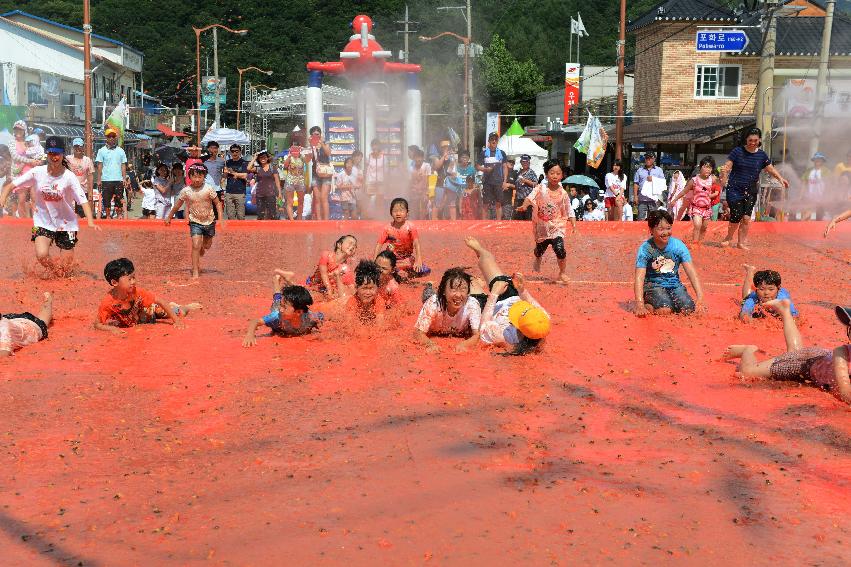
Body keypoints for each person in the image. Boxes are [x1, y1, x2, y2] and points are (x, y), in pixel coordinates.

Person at [0, 136, 100, 277]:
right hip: (43, 222)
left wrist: (90, 222)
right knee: (41, 255)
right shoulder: (37, 172)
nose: (54, 157)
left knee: (67, 269)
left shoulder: (69, 177)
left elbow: (83, 201)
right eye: (51, 153)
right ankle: (54, 271)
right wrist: (1, 202)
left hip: (66, 224)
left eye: (57, 153)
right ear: (47, 154)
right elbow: (10, 186)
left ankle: (63, 275)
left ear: (62, 154)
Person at [724, 302, 850, 406]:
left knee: (795, 351)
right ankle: (748, 350)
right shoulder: (842, 352)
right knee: (747, 372)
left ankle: (785, 311)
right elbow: (844, 392)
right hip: (807, 363)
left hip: (818, 358)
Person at [463, 237, 551, 355]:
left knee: (469, 282)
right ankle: (480, 250)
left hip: (489, 308)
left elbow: (483, 326)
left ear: (518, 328)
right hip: (510, 296)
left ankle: (478, 283)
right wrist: (522, 290)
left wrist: (494, 294)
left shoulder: (504, 336)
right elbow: (531, 302)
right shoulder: (542, 320)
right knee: (487, 259)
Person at [719, 127, 789, 249]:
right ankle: (729, 237)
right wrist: (724, 173)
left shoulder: (761, 155)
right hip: (734, 189)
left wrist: (780, 178)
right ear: (746, 140)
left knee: (746, 218)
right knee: (736, 215)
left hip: (751, 190)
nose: (752, 143)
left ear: (759, 140)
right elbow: (728, 166)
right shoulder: (737, 151)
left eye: (755, 140)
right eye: (750, 140)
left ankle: (741, 242)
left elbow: (770, 169)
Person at [94, 258, 200, 335]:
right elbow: (97, 324)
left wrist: (177, 321)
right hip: (141, 320)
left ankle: (186, 307)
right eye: (129, 279)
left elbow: (160, 301)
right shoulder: (108, 303)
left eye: (134, 277)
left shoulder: (136, 291)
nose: (134, 282)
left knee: (178, 312)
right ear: (114, 282)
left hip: (151, 311)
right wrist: (112, 329)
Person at [516, 159, 577, 284]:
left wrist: (574, 224)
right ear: (546, 174)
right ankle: (537, 258)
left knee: (559, 249)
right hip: (542, 227)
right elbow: (530, 197)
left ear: (562, 175)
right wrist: (524, 206)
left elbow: (569, 209)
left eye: (558, 173)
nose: (555, 176)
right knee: (539, 250)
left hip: (557, 227)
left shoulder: (563, 193)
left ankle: (562, 273)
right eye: (552, 173)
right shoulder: (540, 188)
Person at [634, 210, 704, 317]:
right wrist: (639, 304)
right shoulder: (646, 249)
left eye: (668, 228)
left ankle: (664, 303)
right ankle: (649, 303)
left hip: (675, 286)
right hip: (653, 286)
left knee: (688, 309)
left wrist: (700, 297)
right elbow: (639, 278)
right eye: (661, 229)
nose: (665, 232)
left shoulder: (678, 246)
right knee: (665, 310)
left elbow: (691, 273)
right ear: (651, 230)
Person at [164, 162, 226, 279]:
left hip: (209, 221)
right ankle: (195, 271)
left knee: (206, 246)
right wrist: (169, 216)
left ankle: (203, 246)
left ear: (204, 177)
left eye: (200, 177)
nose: (197, 179)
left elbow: (218, 203)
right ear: (189, 177)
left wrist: (221, 219)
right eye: (194, 176)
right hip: (195, 221)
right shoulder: (186, 191)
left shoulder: (208, 189)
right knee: (195, 245)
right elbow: (177, 205)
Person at [242, 270, 324, 347]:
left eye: (284, 308)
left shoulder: (310, 317)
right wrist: (250, 334)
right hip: (280, 308)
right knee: (277, 299)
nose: (281, 309)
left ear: (298, 312)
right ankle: (276, 281)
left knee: (295, 296)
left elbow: (321, 318)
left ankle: (288, 280)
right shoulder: (276, 316)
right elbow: (255, 321)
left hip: (294, 306)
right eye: (282, 306)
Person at [414, 267, 481, 353]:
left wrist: (463, 345)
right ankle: (429, 285)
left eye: (463, 289)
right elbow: (418, 332)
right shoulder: (433, 303)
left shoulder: (472, 304)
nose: (458, 294)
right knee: (427, 295)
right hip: (434, 298)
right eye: (454, 289)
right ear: (444, 291)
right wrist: (430, 344)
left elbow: (477, 335)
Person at [375, 197, 429, 279]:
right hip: (392, 259)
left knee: (425, 271)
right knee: (391, 274)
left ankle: (404, 274)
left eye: (401, 211)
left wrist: (419, 259)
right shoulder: (387, 228)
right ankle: (397, 273)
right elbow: (379, 244)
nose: (398, 213)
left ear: (407, 213)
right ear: (391, 213)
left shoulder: (410, 227)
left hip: (407, 257)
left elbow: (416, 243)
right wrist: (375, 261)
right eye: (395, 211)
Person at [670, 157, 720, 244]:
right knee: (697, 225)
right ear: (700, 167)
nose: (708, 170)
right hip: (696, 207)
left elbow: (722, 183)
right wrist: (675, 199)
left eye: (710, 168)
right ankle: (695, 242)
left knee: (704, 227)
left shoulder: (712, 179)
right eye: (706, 167)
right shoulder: (694, 180)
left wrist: (724, 174)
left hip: (707, 208)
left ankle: (700, 242)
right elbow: (684, 191)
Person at [0, 292, 53, 357]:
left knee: (43, 321)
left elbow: (4, 353)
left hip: (31, 326)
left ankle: (48, 302)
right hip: (12, 320)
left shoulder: (4, 330)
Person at [94, 128, 128, 220]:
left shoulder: (121, 150)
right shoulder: (101, 151)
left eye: (113, 136)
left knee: (119, 199)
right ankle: (108, 216)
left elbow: (123, 165)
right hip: (106, 179)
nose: (111, 138)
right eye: (109, 136)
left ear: (116, 138)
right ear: (106, 138)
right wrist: (98, 179)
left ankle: (119, 215)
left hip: (118, 179)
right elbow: (99, 166)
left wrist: (124, 178)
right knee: (106, 200)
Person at [478, 132, 510, 220]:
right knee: (485, 203)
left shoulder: (502, 153)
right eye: (492, 139)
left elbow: (504, 167)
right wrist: (485, 169)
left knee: (498, 203)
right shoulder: (483, 153)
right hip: (487, 181)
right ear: (489, 140)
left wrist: (504, 181)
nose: (494, 141)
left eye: (495, 139)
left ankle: (498, 222)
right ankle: (484, 223)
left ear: (497, 141)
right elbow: (477, 166)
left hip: (498, 182)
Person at [306, 126, 333, 220]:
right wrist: (311, 145)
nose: (316, 135)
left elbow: (328, 153)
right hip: (315, 174)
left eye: (318, 133)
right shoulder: (310, 146)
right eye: (314, 134)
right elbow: (307, 160)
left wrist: (321, 143)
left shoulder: (326, 142)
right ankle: (319, 221)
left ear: (321, 134)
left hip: (326, 173)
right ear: (311, 135)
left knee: (324, 198)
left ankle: (326, 221)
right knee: (317, 199)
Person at [248, 150, 281, 220]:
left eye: (264, 157)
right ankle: (261, 230)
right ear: (258, 159)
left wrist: (279, 193)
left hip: (271, 194)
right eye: (260, 158)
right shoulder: (258, 168)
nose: (262, 159)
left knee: (272, 215)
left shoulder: (272, 168)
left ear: (267, 158)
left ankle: (271, 230)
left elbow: (277, 182)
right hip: (260, 194)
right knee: (260, 215)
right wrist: (254, 158)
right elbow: (248, 168)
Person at [66, 138, 95, 216]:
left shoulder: (87, 160)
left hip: (83, 191)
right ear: (73, 147)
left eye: (80, 146)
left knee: (82, 215)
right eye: (76, 146)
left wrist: (90, 192)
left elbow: (90, 176)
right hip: (70, 191)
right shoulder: (68, 159)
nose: (78, 148)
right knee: (70, 214)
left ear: (83, 147)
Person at [633, 152, 665, 221]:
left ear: (654, 159)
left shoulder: (659, 170)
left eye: (650, 158)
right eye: (646, 158)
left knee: (653, 220)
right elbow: (636, 183)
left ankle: (651, 232)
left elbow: (662, 183)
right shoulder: (639, 170)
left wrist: (653, 179)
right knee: (640, 219)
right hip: (642, 199)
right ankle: (641, 231)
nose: (648, 160)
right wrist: (635, 196)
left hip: (654, 200)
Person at [799, 152, 831, 220]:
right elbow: (803, 184)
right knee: (806, 215)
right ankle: (805, 228)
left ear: (822, 161)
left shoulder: (826, 171)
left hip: (821, 198)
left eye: (819, 159)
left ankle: (818, 229)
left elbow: (829, 185)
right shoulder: (809, 171)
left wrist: (826, 197)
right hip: (809, 197)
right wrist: (801, 196)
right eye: (816, 159)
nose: (817, 161)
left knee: (820, 216)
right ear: (814, 160)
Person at [222, 144, 249, 220]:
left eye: (236, 151)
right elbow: (225, 176)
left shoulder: (244, 162)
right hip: (229, 192)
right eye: (232, 151)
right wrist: (225, 172)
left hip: (240, 193)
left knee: (241, 216)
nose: (234, 153)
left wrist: (232, 172)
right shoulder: (227, 162)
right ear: (230, 152)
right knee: (230, 216)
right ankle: (231, 232)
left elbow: (244, 176)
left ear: (240, 152)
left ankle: (241, 232)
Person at [282, 140, 306, 220]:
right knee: (290, 202)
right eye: (293, 147)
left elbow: (308, 159)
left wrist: (303, 150)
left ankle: (299, 218)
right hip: (290, 181)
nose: (295, 150)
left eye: (297, 148)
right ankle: (292, 220)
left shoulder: (302, 157)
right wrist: (289, 155)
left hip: (300, 181)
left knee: (301, 201)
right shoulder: (288, 157)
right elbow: (285, 166)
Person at [432, 140, 456, 220]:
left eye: (447, 147)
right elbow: (437, 167)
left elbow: (454, 172)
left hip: (450, 184)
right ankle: (434, 222)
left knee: (451, 204)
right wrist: (443, 157)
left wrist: (452, 160)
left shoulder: (452, 158)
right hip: (440, 183)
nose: (446, 148)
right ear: (441, 148)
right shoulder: (437, 157)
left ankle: (452, 223)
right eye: (444, 147)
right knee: (437, 204)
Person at [364, 138, 388, 219]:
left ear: (379, 147)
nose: (375, 149)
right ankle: (370, 218)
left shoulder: (384, 158)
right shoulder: (369, 157)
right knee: (370, 201)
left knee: (380, 201)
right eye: (373, 147)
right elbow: (367, 170)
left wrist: (385, 182)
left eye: (376, 147)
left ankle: (380, 218)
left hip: (381, 182)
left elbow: (386, 171)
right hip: (371, 182)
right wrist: (366, 182)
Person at [513, 154, 538, 221]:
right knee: (519, 219)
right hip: (519, 199)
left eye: (526, 162)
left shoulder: (531, 172)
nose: (525, 163)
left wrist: (526, 181)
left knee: (528, 218)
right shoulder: (519, 172)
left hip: (528, 200)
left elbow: (536, 184)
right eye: (523, 162)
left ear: (529, 162)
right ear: (521, 162)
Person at [409, 148, 431, 220]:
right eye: (416, 157)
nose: (418, 159)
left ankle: (422, 224)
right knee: (414, 210)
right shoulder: (411, 168)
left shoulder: (427, 166)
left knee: (423, 209)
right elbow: (410, 182)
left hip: (424, 191)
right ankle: (416, 224)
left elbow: (429, 180)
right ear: (414, 158)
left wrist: (426, 193)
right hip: (414, 192)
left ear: (423, 158)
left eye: (420, 157)